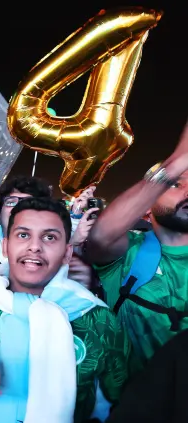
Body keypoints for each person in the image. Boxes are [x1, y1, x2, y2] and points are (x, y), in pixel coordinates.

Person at [0, 197, 130, 423]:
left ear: (67, 253)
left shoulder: (98, 319)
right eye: (23, 235)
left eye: (49, 237)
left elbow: (116, 403)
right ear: (5, 246)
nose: (35, 246)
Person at [87, 121, 188, 365]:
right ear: (145, 210)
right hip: (134, 399)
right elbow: (100, 236)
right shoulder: (129, 252)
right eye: (176, 184)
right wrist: (176, 163)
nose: (187, 191)